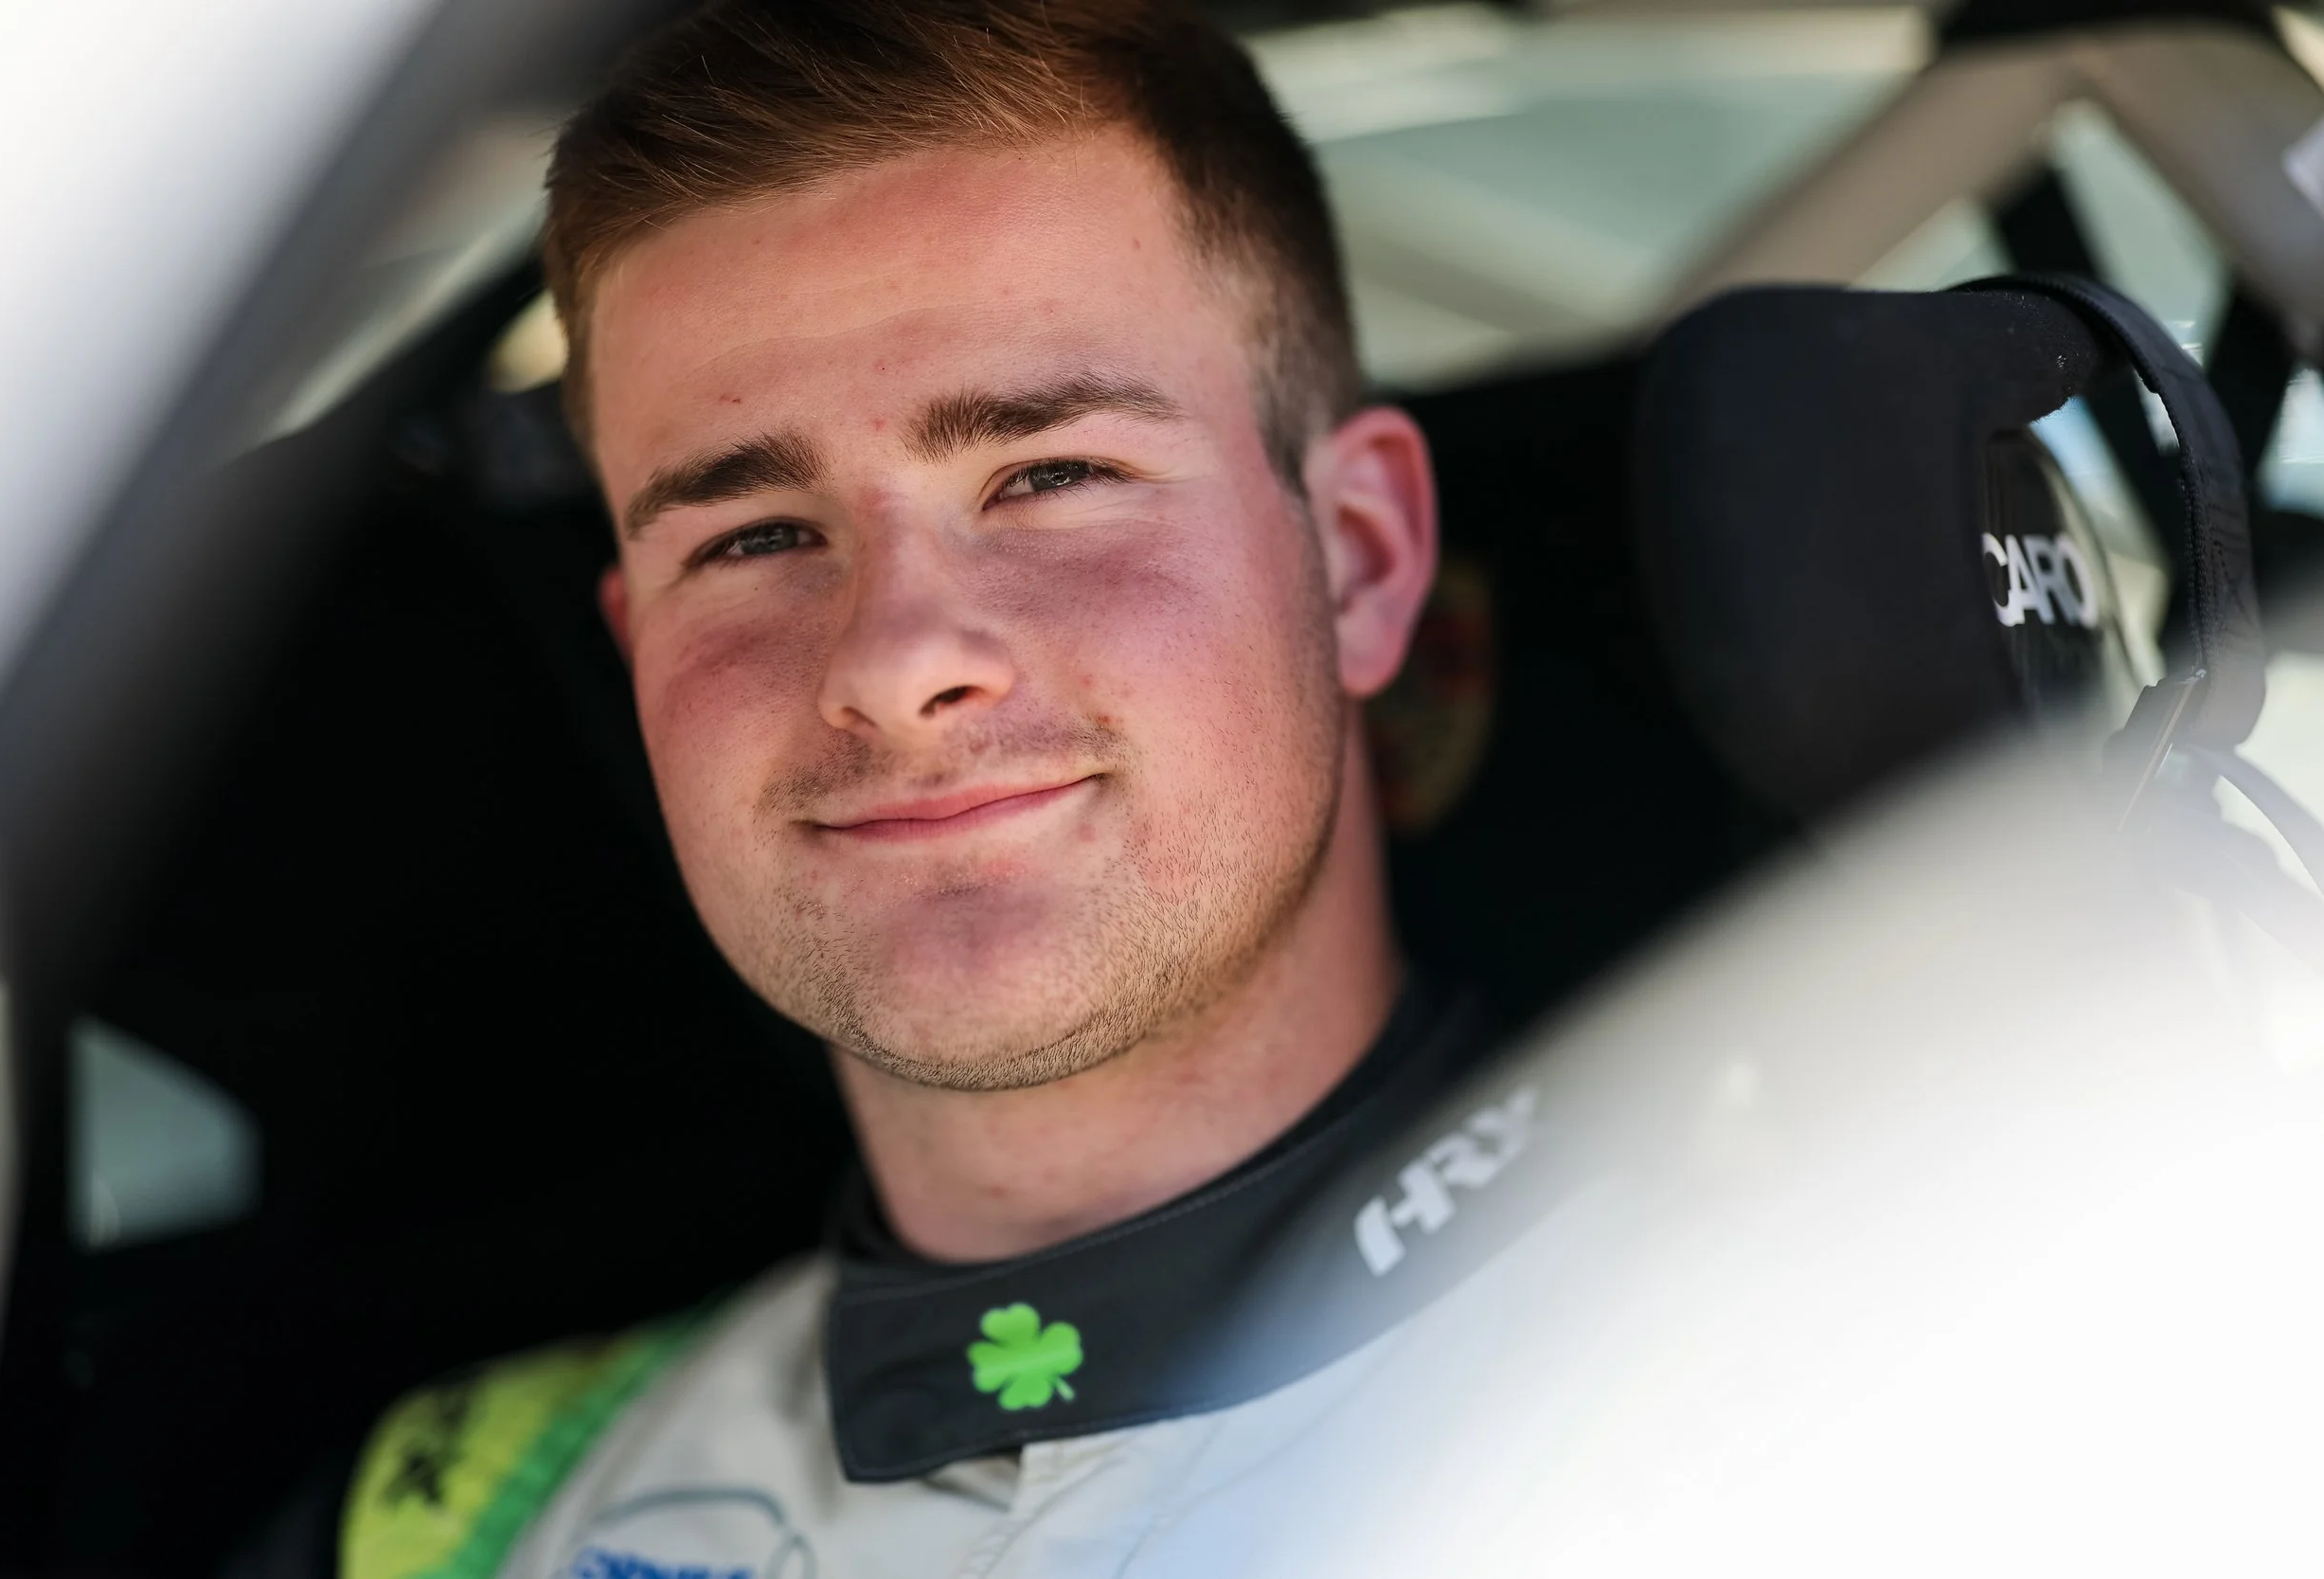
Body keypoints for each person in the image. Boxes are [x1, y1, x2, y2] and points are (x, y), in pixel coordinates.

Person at [331, 5, 1546, 1576]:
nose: (898, 658)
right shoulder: (467, 1506)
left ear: (1359, 560)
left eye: (1049, 477)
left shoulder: (1836, 1378)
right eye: (753, 537)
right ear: (637, 658)